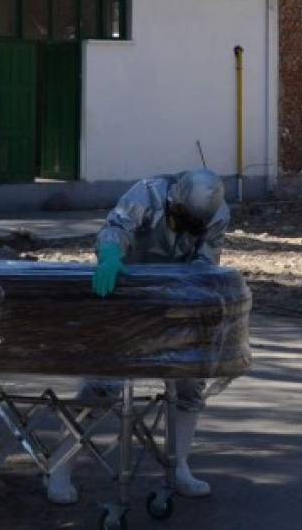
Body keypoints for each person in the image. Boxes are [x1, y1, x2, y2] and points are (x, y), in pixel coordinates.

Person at [46, 168, 230, 505]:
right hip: (125, 290)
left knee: (189, 382)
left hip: (176, 298)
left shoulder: (216, 214)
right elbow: (117, 227)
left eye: (192, 223)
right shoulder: (147, 194)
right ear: (174, 199)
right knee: (103, 384)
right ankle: (60, 468)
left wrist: (195, 293)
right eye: (180, 217)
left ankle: (179, 466)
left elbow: (207, 262)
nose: (182, 226)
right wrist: (112, 255)